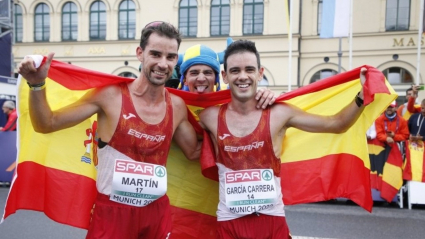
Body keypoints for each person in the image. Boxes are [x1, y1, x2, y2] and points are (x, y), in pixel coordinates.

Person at [18, 21, 200, 239]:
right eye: (156, 54)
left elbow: (194, 152)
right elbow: (46, 123)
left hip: (156, 213)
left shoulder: (177, 106)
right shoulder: (110, 96)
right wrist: (37, 85)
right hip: (113, 213)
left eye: (171, 57)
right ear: (140, 53)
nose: (163, 64)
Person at [199, 39, 368, 239]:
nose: (242, 76)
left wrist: (362, 96)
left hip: (271, 225)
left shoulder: (279, 113)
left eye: (249, 70)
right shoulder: (209, 116)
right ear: (225, 76)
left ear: (260, 73)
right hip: (229, 226)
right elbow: (175, 114)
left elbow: (337, 123)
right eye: (235, 70)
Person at [179, 43, 276, 109]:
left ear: (216, 79)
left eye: (208, 72)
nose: (201, 79)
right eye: (194, 73)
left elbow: (246, 95)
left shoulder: (230, 98)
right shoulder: (174, 105)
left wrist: (264, 96)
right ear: (184, 80)